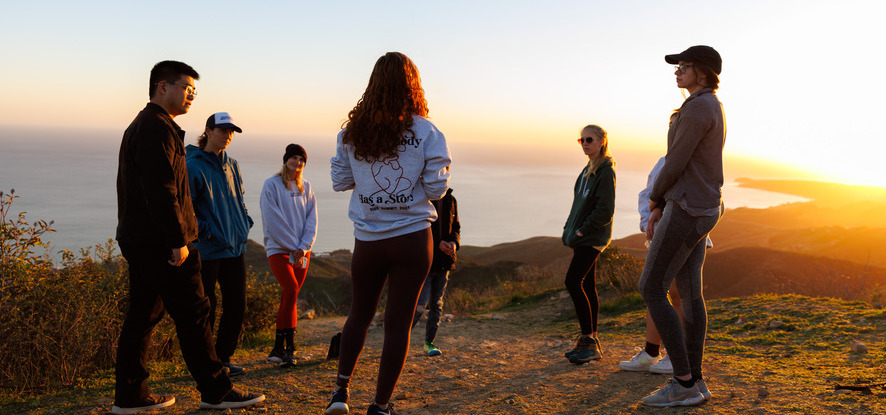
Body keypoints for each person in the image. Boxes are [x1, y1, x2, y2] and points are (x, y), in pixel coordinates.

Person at [113, 60, 264, 414]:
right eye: (186, 88)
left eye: (195, 91)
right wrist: (178, 240)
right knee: (195, 312)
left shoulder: (148, 125)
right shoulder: (155, 128)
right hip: (160, 243)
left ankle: (130, 396)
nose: (191, 96)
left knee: (143, 316)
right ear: (162, 87)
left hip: (142, 240)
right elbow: (162, 189)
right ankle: (216, 390)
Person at [325, 52, 451, 415]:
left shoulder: (351, 133)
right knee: (398, 325)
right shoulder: (427, 131)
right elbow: (436, 189)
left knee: (358, 316)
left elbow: (339, 181)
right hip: (412, 239)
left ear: (373, 84)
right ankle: (380, 405)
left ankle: (340, 393)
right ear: (413, 83)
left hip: (368, 239)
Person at [638, 45, 726, 407]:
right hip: (704, 207)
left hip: (687, 207)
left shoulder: (698, 107)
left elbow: (676, 162)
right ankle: (696, 382)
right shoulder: (710, 105)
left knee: (652, 288)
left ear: (702, 72)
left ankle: (684, 381)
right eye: (677, 66)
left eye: (684, 66)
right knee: (690, 295)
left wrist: (656, 201)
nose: (677, 71)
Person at [619, 155, 711, 374]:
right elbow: (649, 192)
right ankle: (651, 352)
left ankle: (677, 356)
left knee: (678, 293)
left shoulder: (700, 161)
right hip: (664, 233)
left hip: (687, 232)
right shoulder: (666, 161)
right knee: (657, 291)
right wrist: (648, 224)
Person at [185, 112, 253, 377]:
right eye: (223, 130)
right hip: (209, 249)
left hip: (235, 246)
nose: (227, 136)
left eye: (231, 132)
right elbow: (186, 208)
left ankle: (222, 359)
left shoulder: (232, 164)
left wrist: (244, 222)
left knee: (237, 305)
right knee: (207, 307)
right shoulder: (192, 164)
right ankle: (206, 363)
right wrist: (207, 232)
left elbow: (240, 198)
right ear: (209, 131)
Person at [561, 125, 616, 364]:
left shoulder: (605, 171)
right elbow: (579, 204)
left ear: (602, 141)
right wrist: (571, 228)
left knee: (573, 281)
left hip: (591, 237)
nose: (584, 143)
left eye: (589, 139)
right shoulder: (589, 169)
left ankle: (588, 340)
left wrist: (583, 229)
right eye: (581, 139)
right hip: (583, 236)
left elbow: (605, 209)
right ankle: (591, 341)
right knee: (588, 284)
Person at [259, 144, 318, 367]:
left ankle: (277, 348)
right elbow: (272, 219)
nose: (298, 162)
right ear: (286, 160)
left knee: (289, 296)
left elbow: (312, 219)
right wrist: (292, 246)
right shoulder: (271, 185)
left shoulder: (307, 187)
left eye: (301, 159)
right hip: (279, 249)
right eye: (294, 158)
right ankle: (290, 350)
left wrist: (304, 246)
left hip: (302, 251)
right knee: (291, 289)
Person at [411, 188, 460, 357]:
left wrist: (454, 243)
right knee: (419, 304)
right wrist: (438, 243)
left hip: (445, 261)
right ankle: (399, 339)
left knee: (436, 305)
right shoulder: (420, 197)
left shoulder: (450, 199)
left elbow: (456, 227)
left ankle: (429, 344)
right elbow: (415, 228)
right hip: (425, 261)